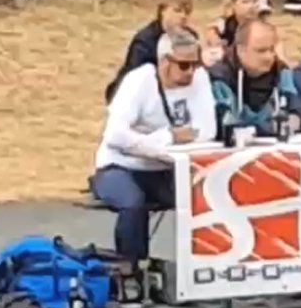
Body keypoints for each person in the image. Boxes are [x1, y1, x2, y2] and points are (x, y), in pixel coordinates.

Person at [91, 30, 217, 261]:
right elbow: (115, 136)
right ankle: (131, 266)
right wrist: (168, 137)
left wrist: (143, 143)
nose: (191, 71)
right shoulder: (138, 81)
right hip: (120, 166)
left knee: (209, 197)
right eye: (184, 65)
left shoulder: (200, 79)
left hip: (169, 168)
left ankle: (204, 264)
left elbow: (207, 131)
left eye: (195, 64)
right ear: (164, 62)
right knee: (133, 204)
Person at [210, 20, 300, 137]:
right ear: (241, 50)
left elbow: (297, 112)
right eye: (261, 51)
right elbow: (223, 124)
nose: (269, 57)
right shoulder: (220, 78)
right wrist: (268, 128)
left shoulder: (282, 73)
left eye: (272, 49)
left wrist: (292, 121)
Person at [106, 0, 195, 102]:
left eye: (187, 12)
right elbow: (133, 78)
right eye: (177, 10)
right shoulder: (145, 41)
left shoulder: (190, 39)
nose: (183, 16)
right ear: (163, 10)